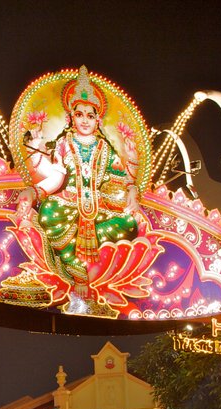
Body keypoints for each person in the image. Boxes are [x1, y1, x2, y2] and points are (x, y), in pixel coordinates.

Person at [25, 66, 142, 315]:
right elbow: (56, 177)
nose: (85, 120)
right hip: (67, 206)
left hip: (101, 210)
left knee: (128, 224)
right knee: (49, 212)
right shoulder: (64, 143)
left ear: (98, 119)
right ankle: (79, 277)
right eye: (80, 115)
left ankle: (93, 280)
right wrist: (35, 191)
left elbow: (121, 179)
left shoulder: (105, 148)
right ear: (71, 118)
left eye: (91, 115)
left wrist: (132, 175)